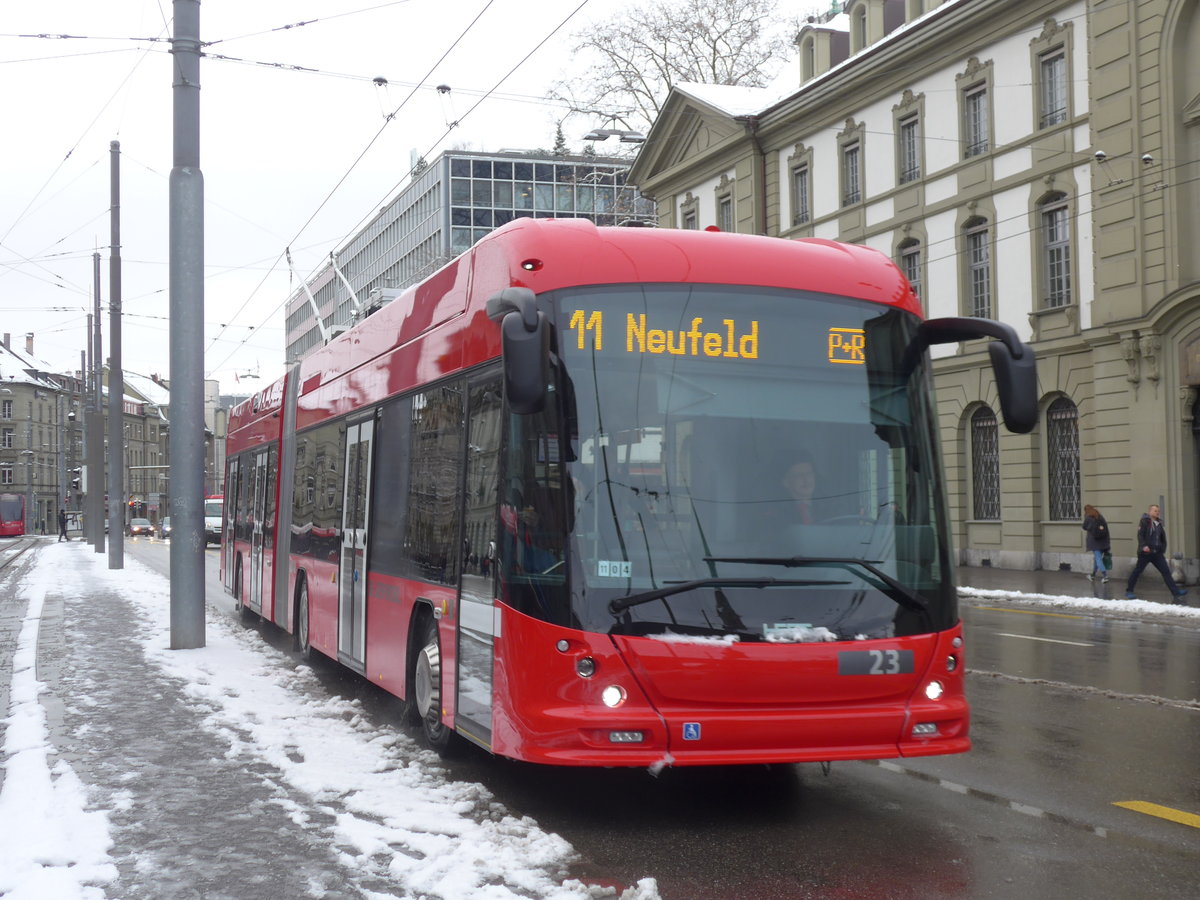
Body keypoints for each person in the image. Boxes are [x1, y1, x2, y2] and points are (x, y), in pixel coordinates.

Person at [1125, 503, 1187, 602]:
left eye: (1158, 511)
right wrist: (1144, 546)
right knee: (1137, 571)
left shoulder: (1159, 524)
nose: (1157, 513)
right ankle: (1129, 591)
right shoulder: (1144, 521)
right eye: (1155, 511)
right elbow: (1140, 535)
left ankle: (1176, 592)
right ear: (1150, 511)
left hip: (1157, 553)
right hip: (1145, 553)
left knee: (1166, 572)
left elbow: (1162, 538)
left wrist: (1162, 548)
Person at [1081, 504, 1111, 583]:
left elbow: (1084, 527)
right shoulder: (1100, 517)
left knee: (1098, 559)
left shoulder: (1088, 518)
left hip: (1095, 542)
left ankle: (1105, 576)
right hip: (1103, 542)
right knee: (1096, 559)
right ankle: (1093, 575)